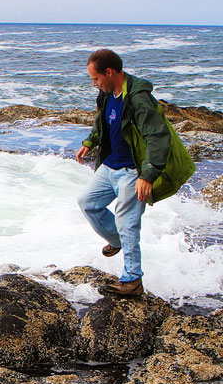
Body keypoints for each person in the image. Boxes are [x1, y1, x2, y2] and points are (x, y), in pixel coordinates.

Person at [76, 49, 195, 297]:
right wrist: (91, 141)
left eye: (95, 79)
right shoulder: (108, 93)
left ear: (109, 72)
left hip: (133, 171)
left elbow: (157, 136)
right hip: (110, 165)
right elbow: (103, 121)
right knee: (87, 202)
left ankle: (132, 280)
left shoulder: (139, 99)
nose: (94, 84)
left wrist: (147, 175)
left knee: (127, 223)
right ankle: (116, 241)